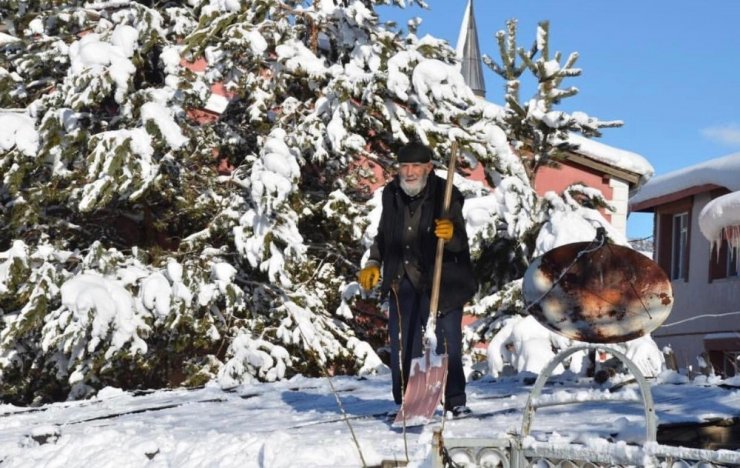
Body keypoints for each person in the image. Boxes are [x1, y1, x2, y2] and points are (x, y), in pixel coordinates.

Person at [358, 141, 477, 417]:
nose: (409, 172)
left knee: (449, 344)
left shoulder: (446, 195)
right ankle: (408, 403)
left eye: (415, 166)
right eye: (404, 167)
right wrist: (374, 261)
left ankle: (455, 401)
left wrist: (451, 235)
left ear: (428, 168)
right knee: (405, 345)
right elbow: (385, 235)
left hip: (442, 282)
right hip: (404, 282)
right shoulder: (392, 194)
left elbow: (461, 241)